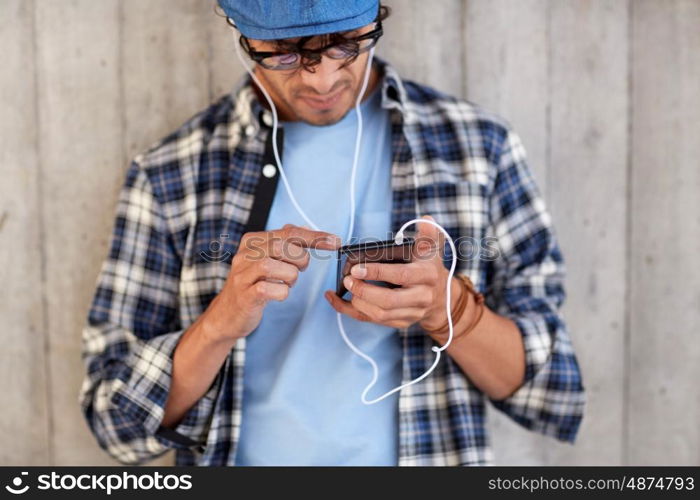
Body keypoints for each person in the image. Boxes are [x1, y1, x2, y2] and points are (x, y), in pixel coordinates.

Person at [79, 0, 585, 466]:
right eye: (284, 53)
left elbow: (551, 390)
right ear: (241, 36)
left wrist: (446, 310)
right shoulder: (169, 174)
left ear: (376, 18)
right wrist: (218, 325)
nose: (321, 79)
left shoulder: (478, 149)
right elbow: (114, 422)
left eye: (347, 43)